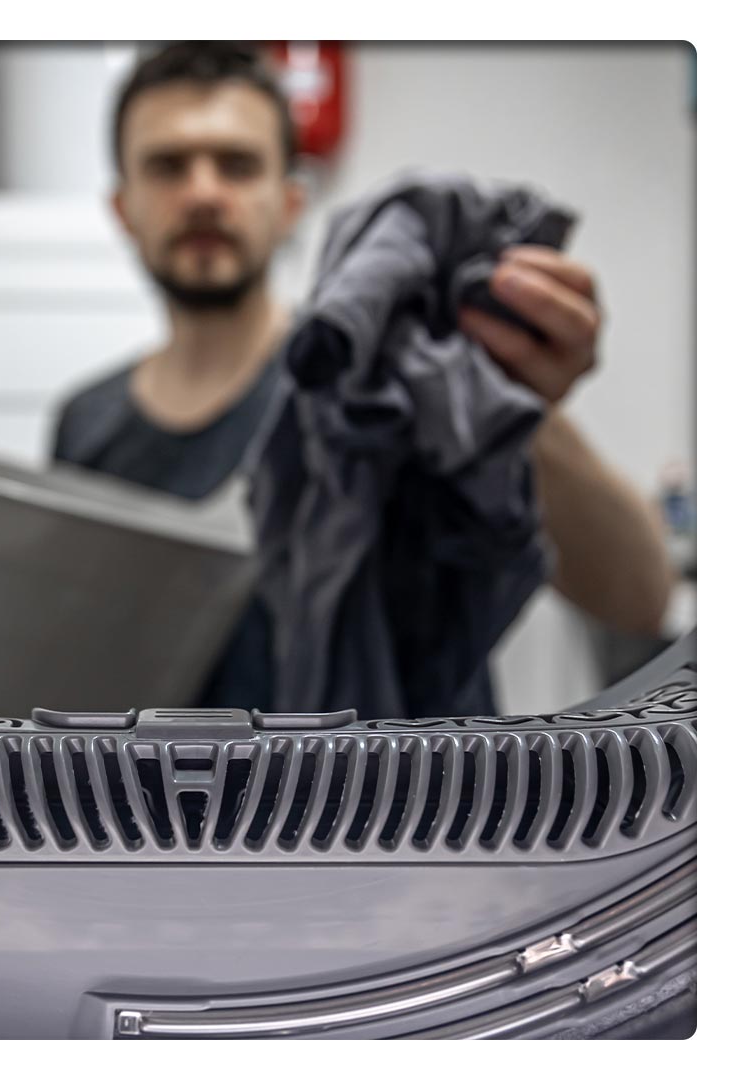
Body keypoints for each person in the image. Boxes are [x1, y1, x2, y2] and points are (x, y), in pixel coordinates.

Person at [52, 41, 674, 714]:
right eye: (168, 166)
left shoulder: (384, 378)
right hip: (181, 813)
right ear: (123, 207)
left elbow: (640, 596)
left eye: (237, 165)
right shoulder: (85, 422)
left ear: (290, 201)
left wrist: (504, 400)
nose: (203, 193)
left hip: (401, 811)